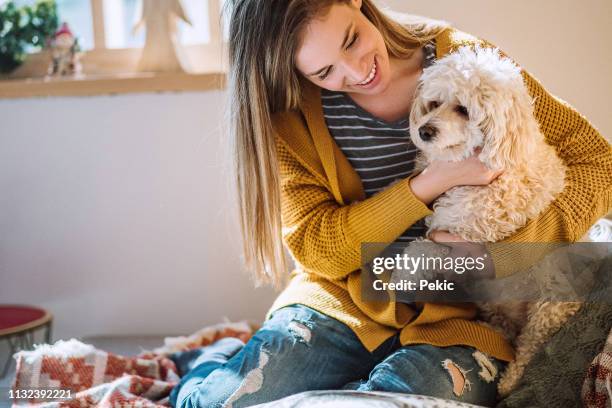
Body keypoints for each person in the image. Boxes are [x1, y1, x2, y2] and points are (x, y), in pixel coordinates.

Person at [169, 0, 612, 406]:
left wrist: (504, 257)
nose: (357, 71)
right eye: (325, 72)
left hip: (460, 315)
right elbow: (319, 249)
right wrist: (430, 183)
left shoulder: (464, 62)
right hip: (343, 303)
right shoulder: (291, 112)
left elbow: (599, 162)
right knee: (220, 402)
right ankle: (211, 363)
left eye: (352, 39)